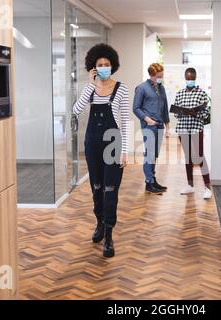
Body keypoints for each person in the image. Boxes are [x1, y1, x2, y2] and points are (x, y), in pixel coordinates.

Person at [73, 43, 130, 258]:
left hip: (113, 144)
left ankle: (108, 234)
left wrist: (125, 151)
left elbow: (124, 122)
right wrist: (90, 85)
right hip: (92, 144)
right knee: (96, 187)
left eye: (107, 64)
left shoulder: (121, 89)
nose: (104, 67)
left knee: (109, 189)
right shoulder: (90, 90)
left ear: (112, 65)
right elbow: (76, 110)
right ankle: (99, 223)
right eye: (100, 64)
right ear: (93, 67)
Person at [174, 68, 212, 200]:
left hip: (196, 129)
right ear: (185, 78)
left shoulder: (201, 93)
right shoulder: (180, 94)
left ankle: (207, 187)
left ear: (195, 78)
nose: (190, 80)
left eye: (192, 78)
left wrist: (194, 112)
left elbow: (206, 113)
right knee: (188, 157)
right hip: (183, 129)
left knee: (200, 157)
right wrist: (182, 111)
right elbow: (176, 113)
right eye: (188, 78)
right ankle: (190, 185)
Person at [133, 63, 170, 195]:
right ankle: (149, 182)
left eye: (162, 76)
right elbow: (136, 108)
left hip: (160, 125)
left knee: (154, 154)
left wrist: (167, 126)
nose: (161, 78)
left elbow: (165, 107)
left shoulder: (162, 88)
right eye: (159, 76)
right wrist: (147, 119)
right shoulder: (142, 88)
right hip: (149, 126)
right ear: (152, 76)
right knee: (149, 154)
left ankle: (153, 180)